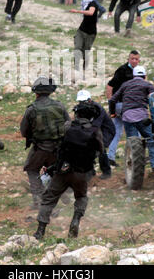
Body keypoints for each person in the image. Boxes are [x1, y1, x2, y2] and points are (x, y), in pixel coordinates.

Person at [33, 101, 103, 240]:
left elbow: (57, 145)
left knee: (49, 198)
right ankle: (76, 220)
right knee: (81, 197)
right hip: (82, 173)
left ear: (76, 114)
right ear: (91, 117)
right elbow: (101, 150)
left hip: (63, 170)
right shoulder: (95, 131)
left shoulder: (67, 126)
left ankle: (40, 231)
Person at [20, 76, 70, 209]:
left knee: (32, 170)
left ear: (36, 93)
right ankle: (63, 195)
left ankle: (39, 200)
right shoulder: (59, 106)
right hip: (57, 148)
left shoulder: (31, 109)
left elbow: (24, 131)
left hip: (40, 148)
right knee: (55, 171)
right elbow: (68, 124)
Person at [109, 66, 154, 173]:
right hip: (142, 117)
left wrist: (113, 114)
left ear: (133, 76)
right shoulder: (147, 84)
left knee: (133, 143)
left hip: (127, 117)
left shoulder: (126, 84)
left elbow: (112, 100)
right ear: (144, 76)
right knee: (150, 140)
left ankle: (134, 170)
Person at [106, 50, 141, 164]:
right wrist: (111, 102)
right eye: (132, 59)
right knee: (137, 129)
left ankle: (110, 157)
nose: (134, 61)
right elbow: (109, 86)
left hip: (125, 105)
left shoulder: (138, 71)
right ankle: (136, 157)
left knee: (117, 131)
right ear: (128, 59)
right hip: (122, 105)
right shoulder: (122, 70)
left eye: (136, 59)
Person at [76, 90, 115, 179]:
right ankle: (90, 171)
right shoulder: (79, 109)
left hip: (106, 130)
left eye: (84, 101)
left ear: (89, 100)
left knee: (100, 148)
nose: (82, 103)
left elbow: (96, 125)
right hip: (93, 130)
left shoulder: (98, 109)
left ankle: (106, 171)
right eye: (80, 101)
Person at [70, 0, 100, 72]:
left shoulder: (93, 3)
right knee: (77, 48)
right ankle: (76, 69)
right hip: (81, 30)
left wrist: (77, 11)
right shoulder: (84, 3)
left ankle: (84, 70)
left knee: (85, 52)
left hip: (91, 33)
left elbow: (91, 12)